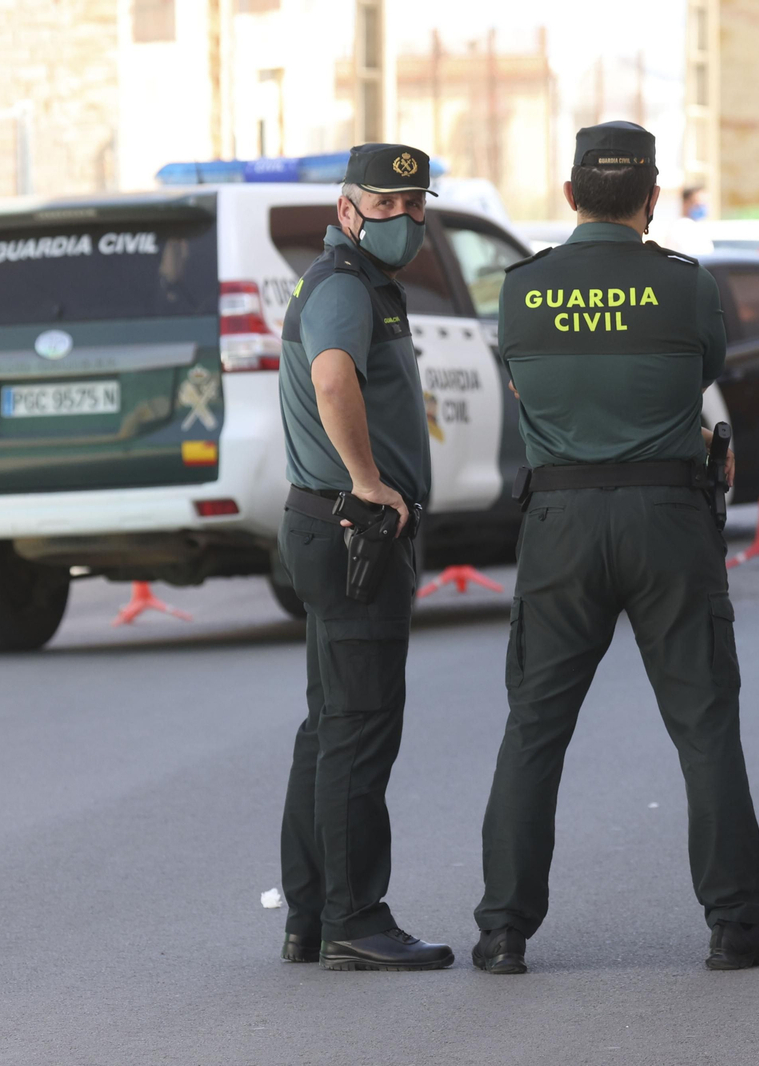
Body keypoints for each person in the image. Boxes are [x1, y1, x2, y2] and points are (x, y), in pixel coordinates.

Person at [472, 121, 759, 975]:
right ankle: (735, 924)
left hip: (560, 525)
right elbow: (702, 373)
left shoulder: (521, 288)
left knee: (534, 728)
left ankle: (503, 930)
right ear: (652, 199)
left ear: (570, 194)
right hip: (667, 518)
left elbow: (520, 378)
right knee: (704, 724)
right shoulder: (686, 287)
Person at [274, 143, 453, 972]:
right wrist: (370, 483)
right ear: (348, 211)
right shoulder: (344, 284)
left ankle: (309, 914)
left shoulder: (358, 281)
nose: (405, 219)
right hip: (353, 528)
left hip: (327, 524)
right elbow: (334, 378)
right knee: (358, 729)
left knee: (330, 724)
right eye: (387, 205)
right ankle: (356, 915)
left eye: (416, 205)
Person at [661, 185, 715, 257]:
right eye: (697, 204)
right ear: (685, 203)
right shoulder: (679, 228)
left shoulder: (701, 227)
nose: (702, 208)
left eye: (704, 204)